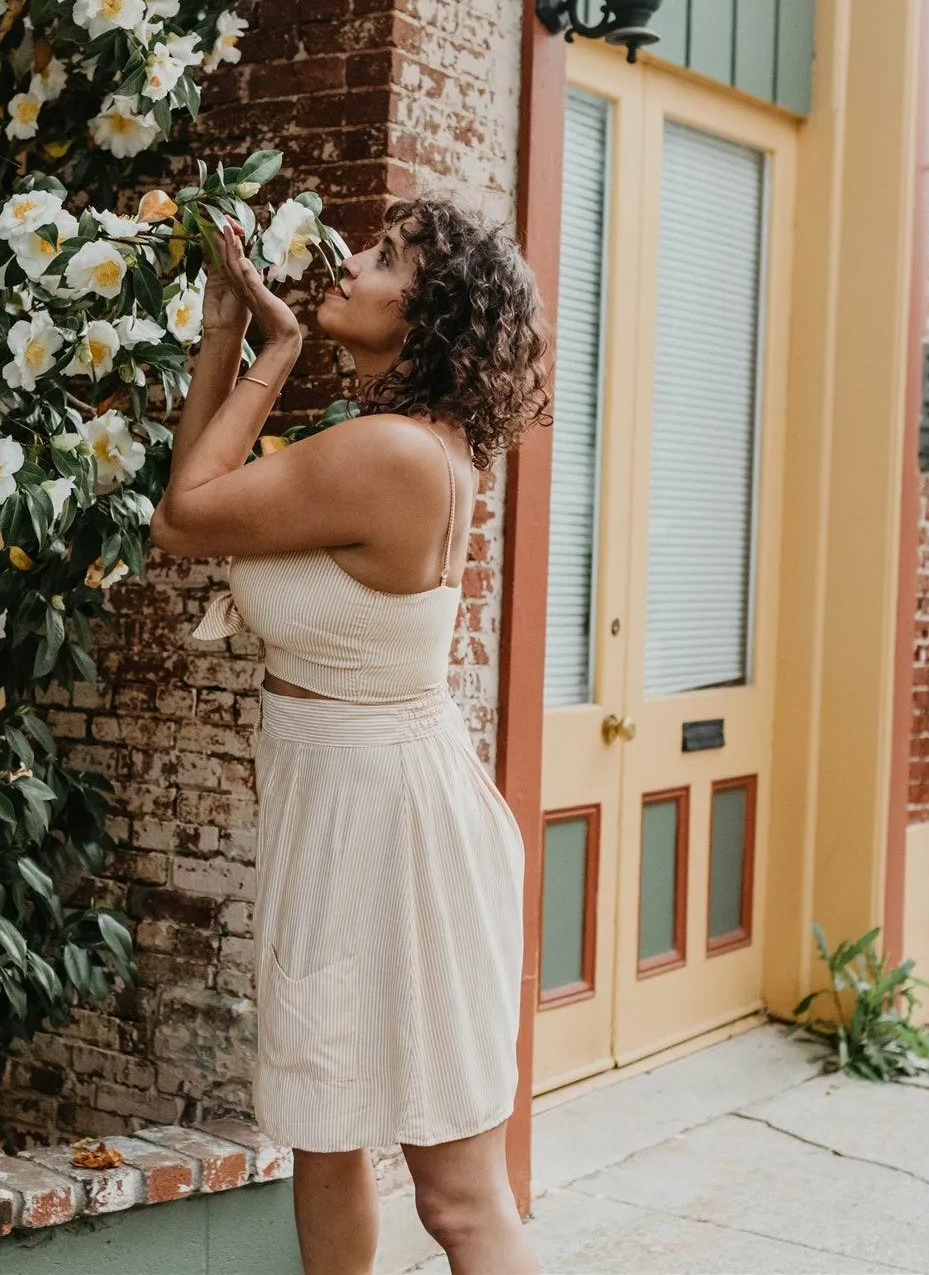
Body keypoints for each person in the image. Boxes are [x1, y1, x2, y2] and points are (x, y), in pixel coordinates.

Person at [150, 199, 549, 1275]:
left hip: (399, 831)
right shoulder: (399, 442)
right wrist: (234, 331)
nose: (351, 262)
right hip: (336, 805)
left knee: (458, 1198)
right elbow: (198, 499)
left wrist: (268, 351)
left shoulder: (391, 454)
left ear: (427, 315)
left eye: (383, 259)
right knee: (324, 1139)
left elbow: (183, 516)